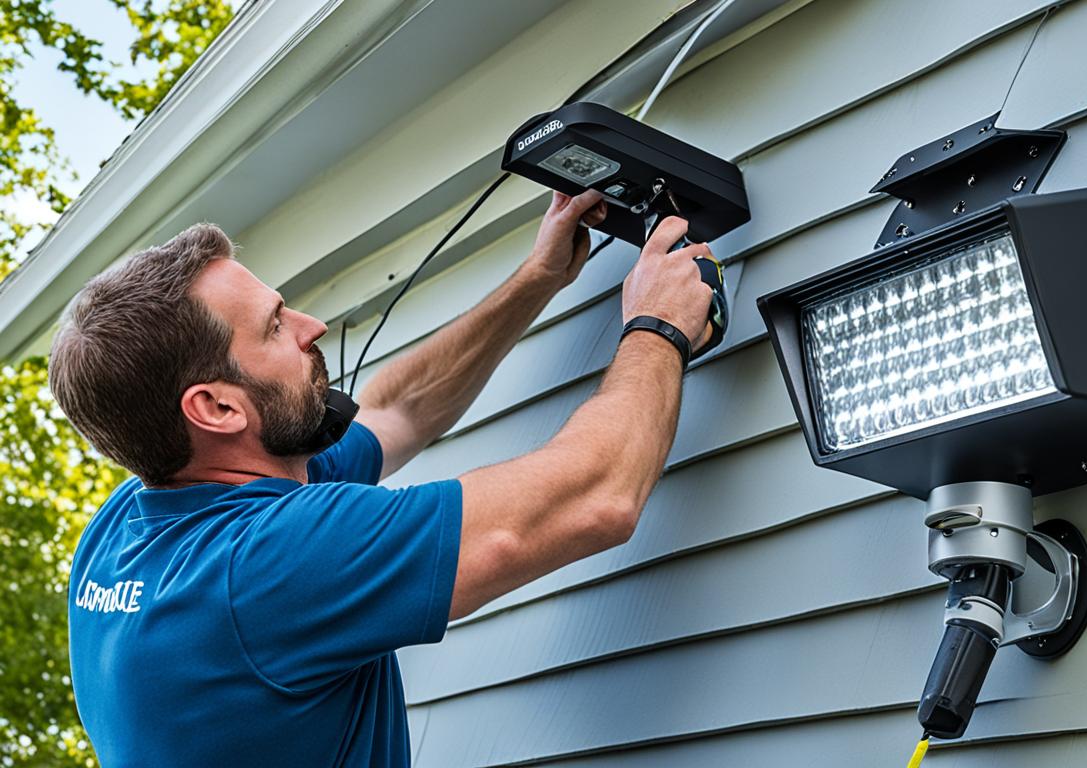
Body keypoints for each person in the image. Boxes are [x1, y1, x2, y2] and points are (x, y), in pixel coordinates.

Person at [48, 189, 714, 767]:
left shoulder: (129, 523)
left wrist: (536, 278)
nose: (313, 327)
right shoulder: (265, 563)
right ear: (217, 408)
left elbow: (400, 409)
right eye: (275, 327)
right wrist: (658, 326)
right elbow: (595, 495)